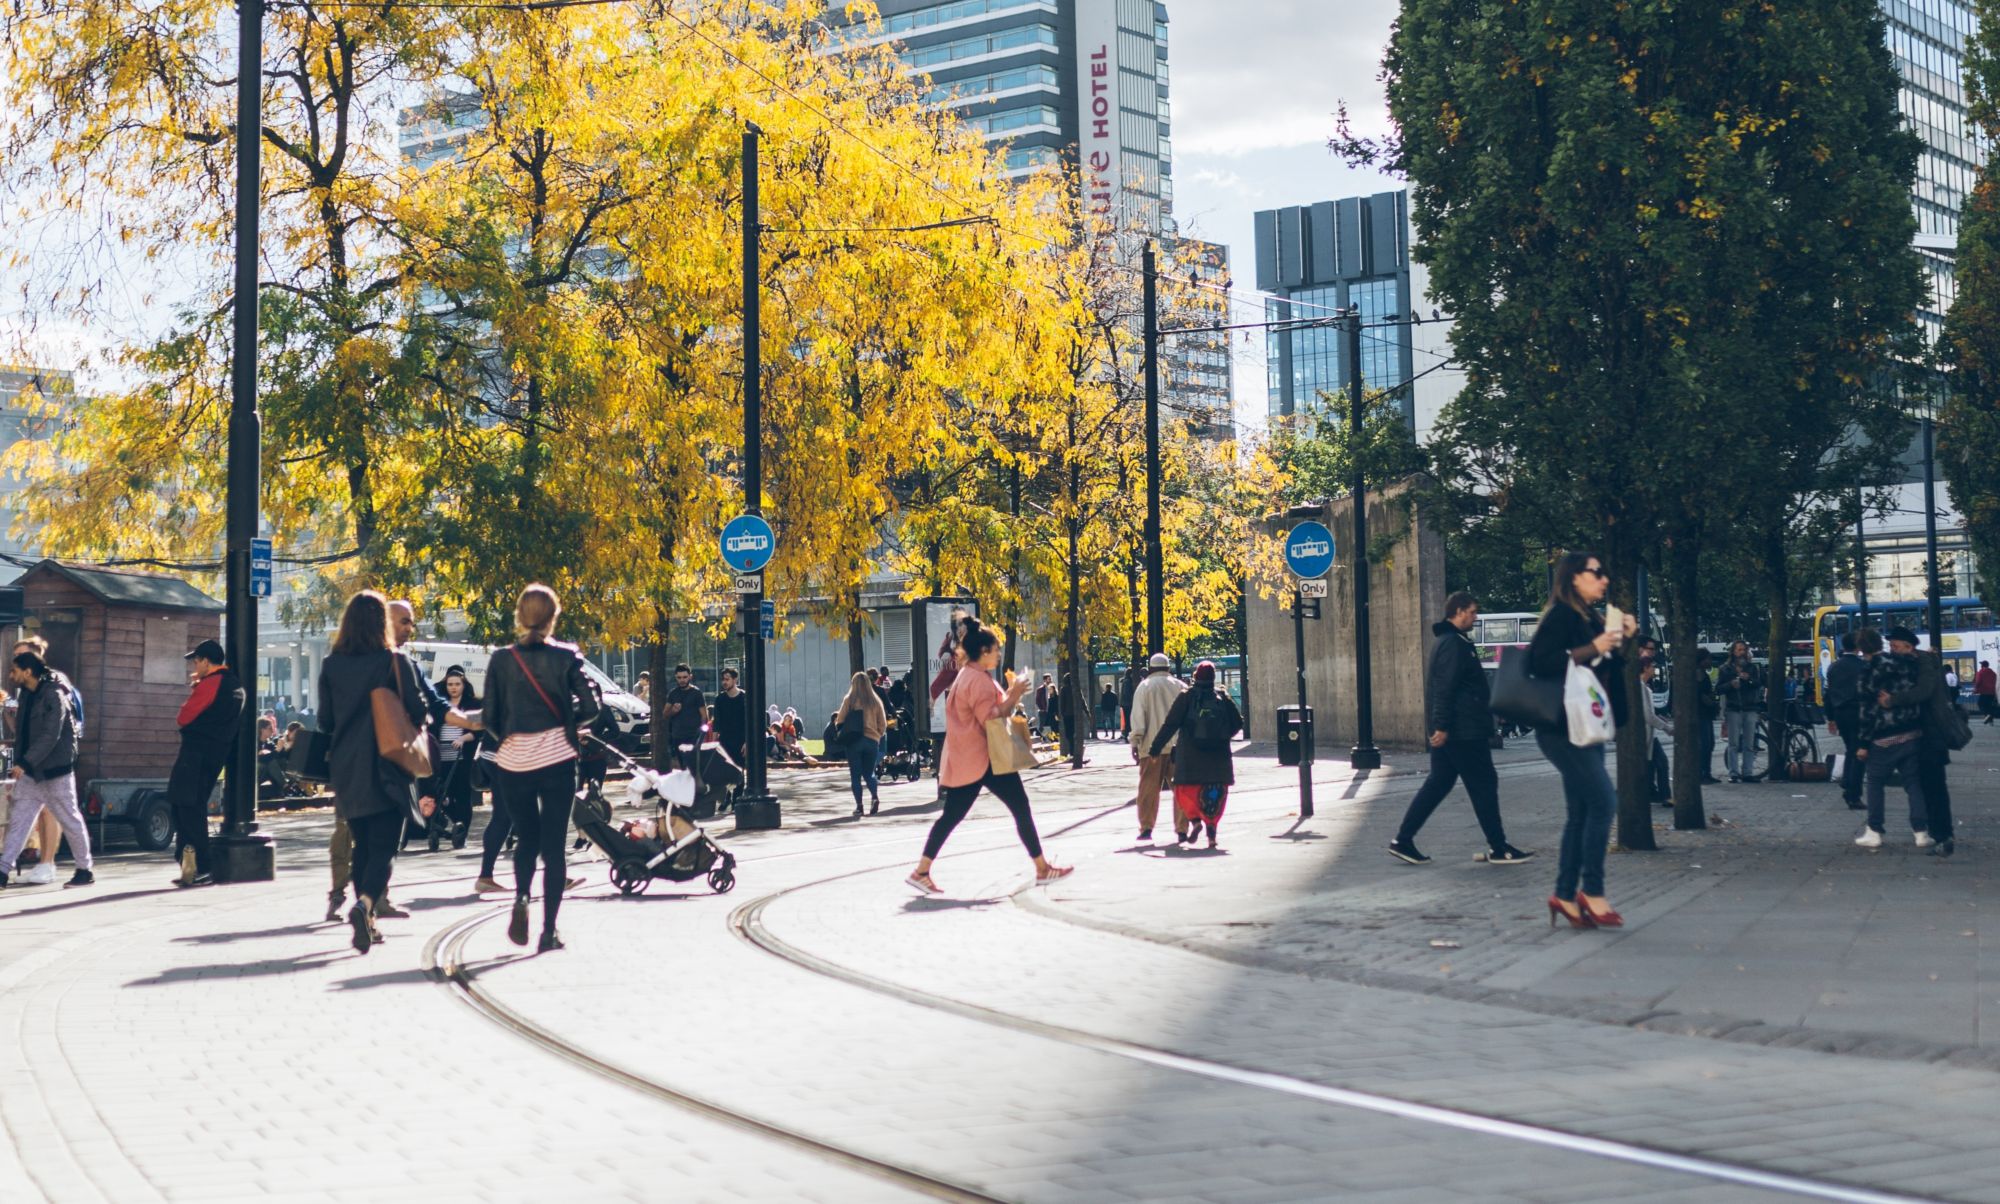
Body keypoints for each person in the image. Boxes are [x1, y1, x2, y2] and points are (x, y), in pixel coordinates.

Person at [906, 620, 1070, 893]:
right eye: (994, 650)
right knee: (1018, 807)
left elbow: (987, 710)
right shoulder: (978, 680)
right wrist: (1015, 693)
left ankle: (921, 870)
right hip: (985, 758)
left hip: (970, 759)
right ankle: (1042, 869)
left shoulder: (968, 675)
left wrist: (1009, 693)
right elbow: (990, 717)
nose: (997, 654)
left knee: (952, 816)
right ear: (983, 651)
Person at [482, 584, 600, 953]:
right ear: (553, 618)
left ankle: (520, 897)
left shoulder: (501, 659)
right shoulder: (567, 657)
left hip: (514, 760)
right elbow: (592, 707)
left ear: (520, 616)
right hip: (556, 759)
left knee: (526, 837)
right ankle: (549, 930)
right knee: (554, 845)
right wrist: (567, 721)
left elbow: (489, 717)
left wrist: (512, 736)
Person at [1527, 552, 1635, 929]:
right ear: (1574, 577)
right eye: (1596, 573)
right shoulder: (1562, 614)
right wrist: (1596, 646)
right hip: (1561, 728)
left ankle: (1565, 895)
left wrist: (1617, 641)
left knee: (1581, 813)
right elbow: (1539, 661)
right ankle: (1592, 891)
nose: (1604, 580)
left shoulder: (1589, 618)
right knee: (1605, 803)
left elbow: (1601, 669)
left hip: (1585, 725)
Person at [317, 591, 429, 953]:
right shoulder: (393, 661)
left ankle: (369, 921)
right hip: (387, 763)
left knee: (362, 843)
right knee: (385, 846)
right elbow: (418, 708)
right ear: (382, 622)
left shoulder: (332, 664)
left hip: (347, 767)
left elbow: (325, 720)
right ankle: (364, 905)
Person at [1390, 592, 1531, 864]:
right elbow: (1444, 689)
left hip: (1456, 730)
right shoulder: (1453, 644)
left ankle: (1403, 840)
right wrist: (1441, 725)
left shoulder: (1452, 642)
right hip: (1463, 731)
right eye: (1472, 612)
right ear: (1457, 611)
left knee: (1439, 784)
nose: (1475, 617)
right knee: (1484, 784)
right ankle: (1499, 847)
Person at [0, 651, 93, 888]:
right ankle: (2, 871)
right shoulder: (28, 694)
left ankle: (84, 870)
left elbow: (51, 735)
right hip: (32, 773)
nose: (11, 675)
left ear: (28, 672)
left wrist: (25, 762)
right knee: (19, 823)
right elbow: (23, 733)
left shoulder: (54, 693)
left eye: (15, 670)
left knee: (70, 820)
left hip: (56, 772)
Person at [167, 638, 245, 888]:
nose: (194, 664)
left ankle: (200, 865)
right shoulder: (235, 686)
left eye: (197, 660)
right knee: (191, 804)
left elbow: (184, 716)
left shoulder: (211, 684)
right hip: (215, 753)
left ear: (206, 662)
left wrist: (196, 688)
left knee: (186, 805)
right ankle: (192, 864)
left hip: (196, 753)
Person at [1877, 636, 1959, 858]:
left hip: (1930, 737)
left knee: (1933, 787)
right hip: (1924, 735)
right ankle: (1938, 833)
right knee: (1928, 786)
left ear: (1909, 646)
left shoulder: (1924, 665)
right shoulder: (1920, 661)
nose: (1892, 650)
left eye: (1895, 645)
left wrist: (1892, 700)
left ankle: (1943, 835)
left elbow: (1923, 692)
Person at [1148, 660, 1242, 849]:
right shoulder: (1222, 697)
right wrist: (1222, 736)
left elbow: (1171, 724)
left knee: (1184, 790)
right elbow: (1238, 722)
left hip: (1190, 756)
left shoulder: (1187, 696)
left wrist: (1155, 748)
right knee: (1214, 794)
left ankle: (1195, 821)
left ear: (1195, 676)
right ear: (1213, 677)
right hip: (1218, 758)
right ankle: (1212, 834)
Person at [1855, 627, 1930, 850]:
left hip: (1883, 736)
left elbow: (1866, 710)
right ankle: (1920, 831)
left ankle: (1875, 829)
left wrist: (1862, 743)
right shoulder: (1903, 663)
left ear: (1861, 648)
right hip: (1911, 731)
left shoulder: (1868, 671)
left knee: (1875, 783)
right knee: (1913, 783)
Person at [1126, 653, 1185, 842]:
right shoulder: (1181, 687)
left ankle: (1146, 828)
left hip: (1151, 748)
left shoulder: (1144, 688)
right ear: (1168, 668)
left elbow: (1138, 720)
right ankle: (1182, 828)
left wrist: (1135, 742)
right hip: (1178, 748)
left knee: (1148, 790)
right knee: (1181, 789)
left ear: (1150, 668)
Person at [434, 668, 484, 849]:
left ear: (463, 685)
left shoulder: (472, 704)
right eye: (450, 684)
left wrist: (463, 738)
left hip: (461, 757)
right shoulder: (440, 704)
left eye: (457, 684)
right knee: (440, 794)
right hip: (441, 755)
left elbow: (478, 731)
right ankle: (457, 824)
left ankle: (461, 833)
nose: (453, 688)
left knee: (462, 795)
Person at [1824, 633, 1869, 810]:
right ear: (1857, 646)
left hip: (1840, 712)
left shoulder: (1834, 667)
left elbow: (1829, 694)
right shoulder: (1863, 666)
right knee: (1859, 753)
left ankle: (1848, 782)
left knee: (1851, 748)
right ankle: (1853, 792)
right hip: (1858, 712)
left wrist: (1831, 718)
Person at [835, 671, 887, 818]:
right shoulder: (875, 701)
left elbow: (840, 720)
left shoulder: (850, 699)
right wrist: (876, 735)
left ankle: (859, 806)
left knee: (855, 776)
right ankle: (875, 796)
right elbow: (882, 725)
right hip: (872, 741)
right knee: (869, 773)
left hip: (854, 741)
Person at [1717, 641, 1764, 783]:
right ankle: (1734, 773)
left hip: (1750, 708)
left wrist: (1748, 679)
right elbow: (1719, 689)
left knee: (1749, 743)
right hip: (1733, 709)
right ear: (1733, 652)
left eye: (1744, 650)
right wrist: (1730, 685)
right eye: (1739, 650)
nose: (1742, 652)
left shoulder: (1752, 668)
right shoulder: (1725, 669)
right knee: (1733, 743)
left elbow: (1758, 684)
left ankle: (1747, 772)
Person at [660, 663, 706, 769]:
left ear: (690, 676)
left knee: (692, 766)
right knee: (683, 766)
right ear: (676, 677)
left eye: (685, 677)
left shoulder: (696, 693)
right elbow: (665, 714)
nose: (682, 680)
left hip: (693, 736)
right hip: (678, 736)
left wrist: (701, 735)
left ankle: (695, 785)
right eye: (679, 677)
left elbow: (704, 715)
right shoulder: (673, 693)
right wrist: (673, 711)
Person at [710, 667, 749, 768]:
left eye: (727, 679)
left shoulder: (744, 697)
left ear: (735, 680)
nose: (724, 682)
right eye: (723, 679)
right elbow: (716, 723)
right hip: (724, 741)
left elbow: (749, 722)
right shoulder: (720, 699)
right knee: (725, 772)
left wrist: (747, 742)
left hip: (740, 742)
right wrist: (714, 744)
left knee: (739, 773)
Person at [1693, 648, 1721, 784]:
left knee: (1707, 743)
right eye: (1708, 659)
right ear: (1702, 660)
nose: (1710, 661)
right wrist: (1713, 704)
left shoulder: (1701, 673)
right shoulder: (1699, 674)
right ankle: (1704, 773)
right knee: (1706, 744)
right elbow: (1702, 695)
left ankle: (1705, 772)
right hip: (1702, 714)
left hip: (1704, 714)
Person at [1975, 660, 1998, 724]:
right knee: (1989, 705)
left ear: (1982, 665)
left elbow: (1978, 682)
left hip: (1984, 691)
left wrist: (1976, 690)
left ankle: (1987, 715)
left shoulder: (1981, 672)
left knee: (1980, 703)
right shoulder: (1993, 673)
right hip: (1992, 692)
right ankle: (1990, 720)